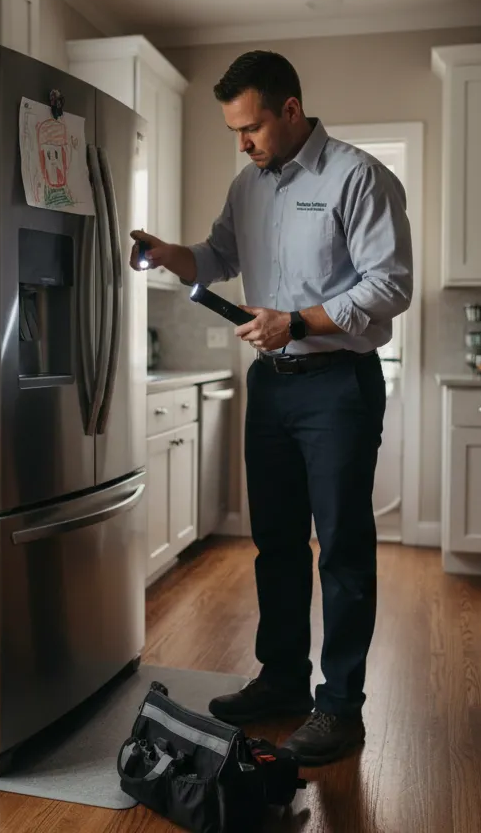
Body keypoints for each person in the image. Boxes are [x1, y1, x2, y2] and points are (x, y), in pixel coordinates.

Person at [129, 50, 413, 766]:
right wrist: (170, 254)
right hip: (272, 386)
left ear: (291, 110)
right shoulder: (247, 185)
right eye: (234, 131)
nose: (243, 143)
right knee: (277, 544)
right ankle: (283, 680)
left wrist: (299, 321)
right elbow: (216, 255)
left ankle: (340, 707)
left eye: (251, 127)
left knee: (343, 549)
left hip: (337, 384)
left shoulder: (358, 176)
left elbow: (391, 287)